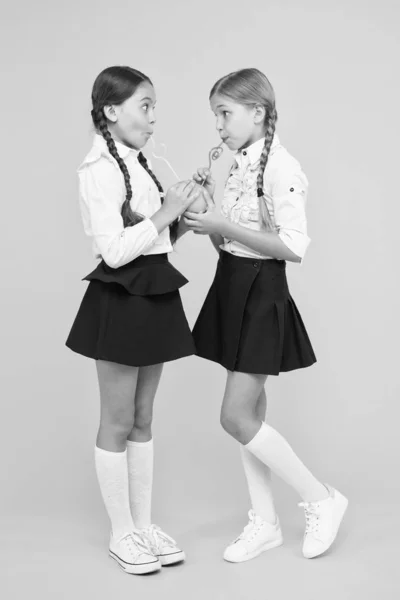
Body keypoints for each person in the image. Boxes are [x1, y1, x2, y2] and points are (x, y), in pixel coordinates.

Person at [185, 68, 348, 563]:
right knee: (252, 413)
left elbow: (292, 248)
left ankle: (322, 498)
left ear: (258, 112)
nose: (218, 124)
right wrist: (210, 216)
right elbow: (229, 242)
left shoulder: (282, 167)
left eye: (225, 113)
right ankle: (267, 523)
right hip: (233, 284)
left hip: (261, 292)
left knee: (234, 416)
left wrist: (222, 224)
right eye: (215, 114)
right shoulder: (238, 162)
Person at [66, 66, 207, 575]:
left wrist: (183, 210)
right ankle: (121, 532)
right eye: (144, 106)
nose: (152, 118)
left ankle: (143, 525)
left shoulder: (139, 162)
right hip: (122, 296)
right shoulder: (97, 169)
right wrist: (166, 213)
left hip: (155, 289)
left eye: (153, 107)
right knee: (118, 418)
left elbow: (156, 239)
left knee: (144, 416)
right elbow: (116, 252)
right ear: (111, 110)